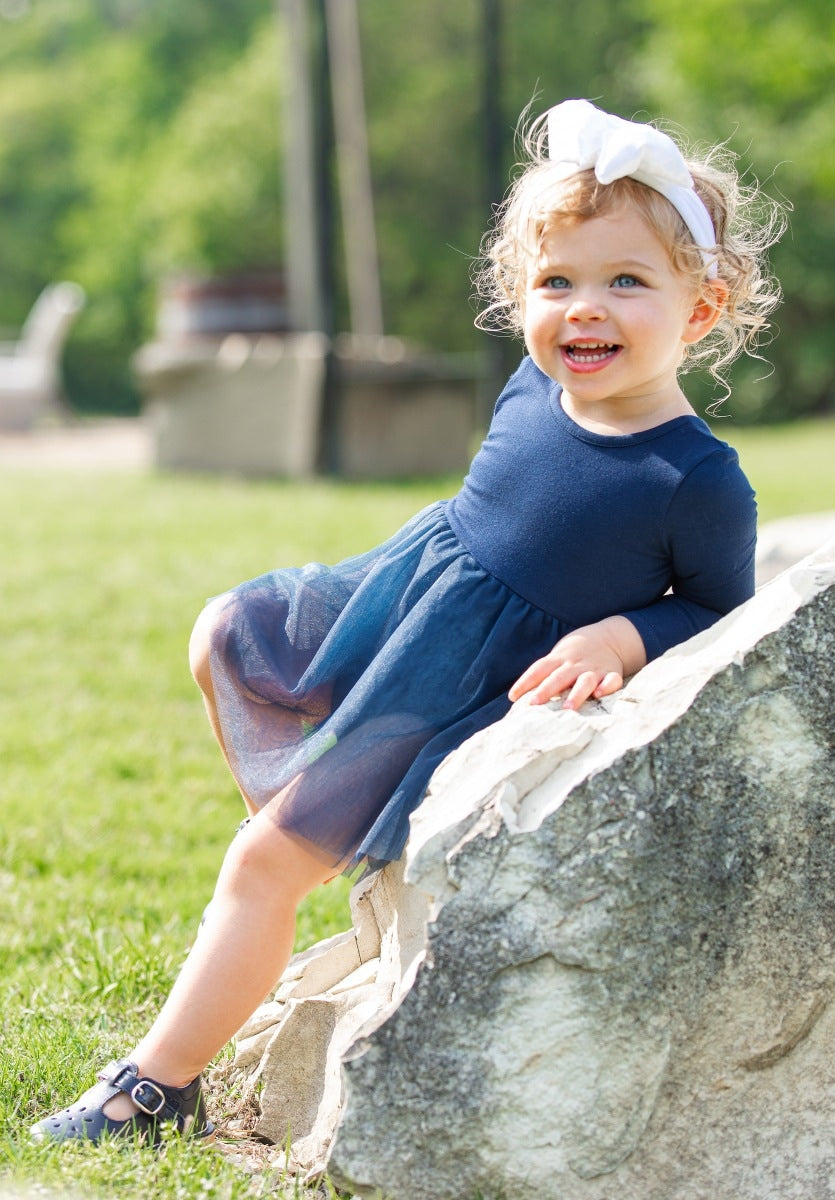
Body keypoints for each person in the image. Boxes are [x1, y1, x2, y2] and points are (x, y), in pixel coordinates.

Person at [30, 98, 783, 1144]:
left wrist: (622, 636)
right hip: (401, 601)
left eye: (627, 282)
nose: (584, 310)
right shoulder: (532, 384)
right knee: (222, 631)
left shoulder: (695, 478)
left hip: (464, 680)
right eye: (556, 281)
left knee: (260, 867)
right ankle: (315, 825)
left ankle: (156, 1086)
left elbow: (723, 618)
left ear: (700, 310)